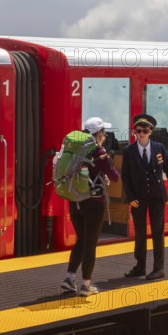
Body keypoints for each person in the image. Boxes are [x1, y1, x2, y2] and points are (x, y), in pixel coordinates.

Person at [60, 117, 120, 296]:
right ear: (98, 134)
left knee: (81, 240)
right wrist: (108, 167)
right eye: (103, 132)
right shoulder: (100, 152)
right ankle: (86, 285)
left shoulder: (74, 149)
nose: (105, 135)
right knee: (90, 243)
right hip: (93, 204)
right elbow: (115, 176)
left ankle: (69, 279)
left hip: (75, 201)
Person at [122, 114, 168, 280]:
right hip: (138, 198)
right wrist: (130, 197)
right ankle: (140, 267)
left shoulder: (159, 148)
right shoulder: (129, 151)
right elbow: (125, 176)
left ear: (150, 132)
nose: (141, 133)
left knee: (157, 233)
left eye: (145, 130)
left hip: (157, 197)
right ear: (134, 132)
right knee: (140, 233)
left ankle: (158, 268)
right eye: (138, 130)